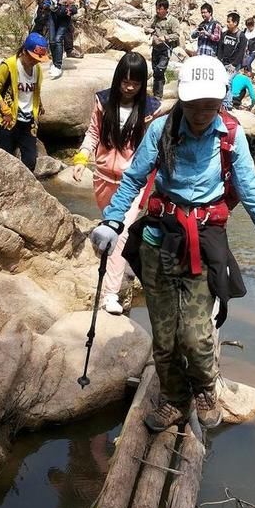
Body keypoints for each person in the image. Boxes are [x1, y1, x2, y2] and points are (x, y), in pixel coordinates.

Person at [89, 55, 255, 431]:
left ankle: (206, 387)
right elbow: (134, 179)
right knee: (164, 337)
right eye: (195, 106)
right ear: (181, 100)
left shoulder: (230, 134)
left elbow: (251, 189)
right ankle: (175, 400)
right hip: (158, 238)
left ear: (222, 102)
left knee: (196, 336)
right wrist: (113, 221)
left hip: (203, 240)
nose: (201, 114)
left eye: (210, 106)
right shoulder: (161, 129)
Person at [72, 53, 160, 314]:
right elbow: (93, 133)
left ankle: (110, 295)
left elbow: (152, 147)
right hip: (102, 178)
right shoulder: (103, 100)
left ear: (143, 83)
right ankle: (114, 262)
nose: (129, 87)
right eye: (125, 81)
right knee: (111, 231)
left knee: (120, 233)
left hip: (132, 182)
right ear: (118, 78)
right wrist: (81, 158)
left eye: (135, 82)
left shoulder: (150, 109)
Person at [0, 33, 48, 172]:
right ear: (24, 51)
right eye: (33, 58)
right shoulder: (9, 65)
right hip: (7, 120)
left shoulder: (37, 69)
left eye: (38, 59)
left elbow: (34, 91)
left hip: (28, 120)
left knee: (30, 161)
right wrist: (4, 109)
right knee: (4, 161)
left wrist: (40, 105)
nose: (35, 61)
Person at [46, 0, 83, 79]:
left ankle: (57, 65)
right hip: (53, 12)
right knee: (51, 40)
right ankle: (55, 62)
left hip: (65, 12)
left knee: (58, 39)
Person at [146, 0, 181, 98]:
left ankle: (158, 96)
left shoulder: (173, 21)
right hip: (155, 49)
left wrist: (165, 37)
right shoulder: (155, 18)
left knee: (159, 70)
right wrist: (151, 31)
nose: (157, 11)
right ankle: (156, 92)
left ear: (166, 9)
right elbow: (146, 27)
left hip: (165, 50)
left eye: (160, 9)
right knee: (155, 71)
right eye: (156, 8)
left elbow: (177, 34)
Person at [217, 12, 247, 109]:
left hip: (233, 65)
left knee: (228, 81)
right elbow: (220, 48)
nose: (227, 23)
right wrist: (219, 59)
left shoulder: (241, 37)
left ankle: (227, 105)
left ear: (235, 23)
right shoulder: (224, 34)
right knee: (220, 81)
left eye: (229, 22)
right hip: (223, 63)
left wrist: (234, 65)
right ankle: (221, 102)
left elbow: (241, 53)